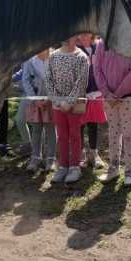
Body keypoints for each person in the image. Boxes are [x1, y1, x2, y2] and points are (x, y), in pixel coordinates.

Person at [92, 43, 131, 186]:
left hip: (128, 97)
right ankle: (113, 168)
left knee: (128, 133)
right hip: (108, 98)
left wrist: (118, 94)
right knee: (113, 132)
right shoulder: (102, 44)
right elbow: (97, 68)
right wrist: (106, 93)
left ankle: (130, 171)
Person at [46, 36, 89, 185]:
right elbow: (48, 80)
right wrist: (58, 101)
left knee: (75, 135)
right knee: (62, 136)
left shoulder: (82, 57)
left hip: (75, 104)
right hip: (58, 106)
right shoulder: (53, 56)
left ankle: (75, 167)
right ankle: (63, 166)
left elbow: (81, 82)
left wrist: (69, 102)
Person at [21, 48, 55, 172]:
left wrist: (49, 98)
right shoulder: (30, 61)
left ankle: (51, 159)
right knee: (36, 130)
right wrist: (35, 100)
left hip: (50, 102)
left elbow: (58, 80)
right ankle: (35, 158)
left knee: (51, 130)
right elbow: (25, 81)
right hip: (35, 102)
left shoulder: (55, 58)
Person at [77, 33, 106, 169]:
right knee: (79, 125)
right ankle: (81, 154)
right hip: (80, 94)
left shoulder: (98, 46)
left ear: (92, 34)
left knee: (93, 124)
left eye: (86, 34)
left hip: (96, 93)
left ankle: (94, 154)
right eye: (80, 34)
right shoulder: (75, 48)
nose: (83, 36)